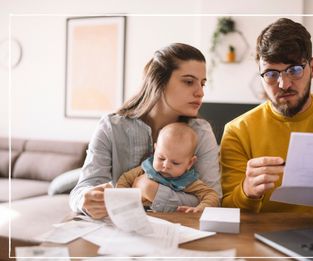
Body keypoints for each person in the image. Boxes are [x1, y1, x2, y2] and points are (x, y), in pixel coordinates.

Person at [220, 18, 313, 213]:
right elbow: (228, 213)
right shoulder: (237, 132)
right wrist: (247, 191)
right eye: (271, 74)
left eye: (294, 70)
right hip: (262, 238)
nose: (284, 84)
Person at [69, 43, 221, 218]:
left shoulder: (201, 132)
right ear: (159, 82)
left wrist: (152, 191)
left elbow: (214, 198)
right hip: (118, 232)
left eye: (202, 84)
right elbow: (80, 190)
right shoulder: (111, 127)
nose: (200, 92)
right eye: (188, 82)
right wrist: (86, 200)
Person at [116, 122, 219, 213]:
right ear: (155, 150)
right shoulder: (146, 168)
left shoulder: (188, 181)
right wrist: (121, 200)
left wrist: (201, 208)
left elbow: (211, 195)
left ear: (189, 163)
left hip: (172, 221)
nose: (165, 166)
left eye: (175, 163)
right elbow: (124, 179)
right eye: (161, 158)